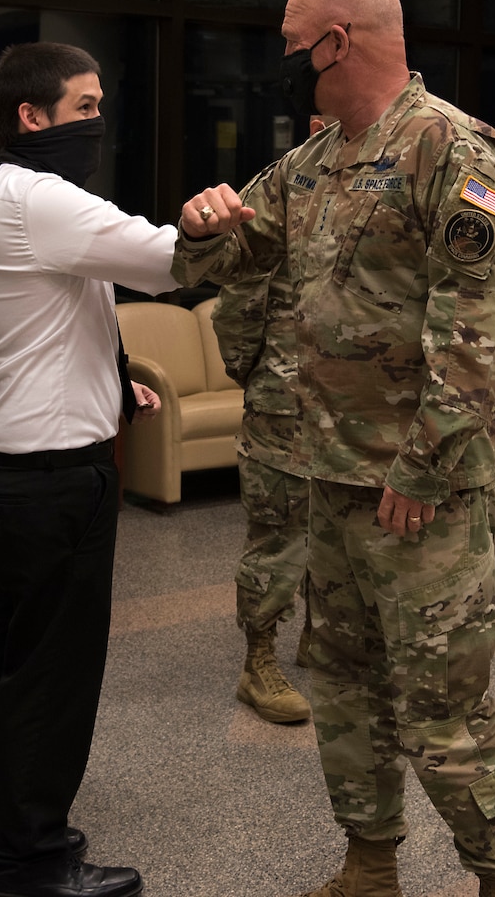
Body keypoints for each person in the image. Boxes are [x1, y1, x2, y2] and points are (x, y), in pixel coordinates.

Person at [176, 0, 495, 897]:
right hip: (323, 473)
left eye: (296, 49)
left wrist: (421, 470)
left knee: (440, 705)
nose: (287, 67)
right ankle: (370, 862)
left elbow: (475, 335)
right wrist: (203, 218)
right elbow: (227, 253)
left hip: (420, 491)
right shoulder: (313, 160)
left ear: (338, 42)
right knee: (341, 684)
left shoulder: (454, 153)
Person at [0, 40, 247, 897]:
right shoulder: (41, 197)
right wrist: (206, 226)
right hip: (52, 478)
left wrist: (116, 382)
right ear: (29, 118)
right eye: (85, 107)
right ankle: (34, 861)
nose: (98, 123)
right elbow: (166, 261)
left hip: (13, 464)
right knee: (53, 671)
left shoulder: (14, 195)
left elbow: (79, 300)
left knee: (8, 651)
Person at [214, 233, 312, 725]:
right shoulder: (289, 195)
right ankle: (259, 663)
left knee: (341, 528)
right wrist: (266, 379)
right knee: (278, 537)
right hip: (285, 410)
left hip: (356, 412)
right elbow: (235, 310)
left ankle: (323, 636)